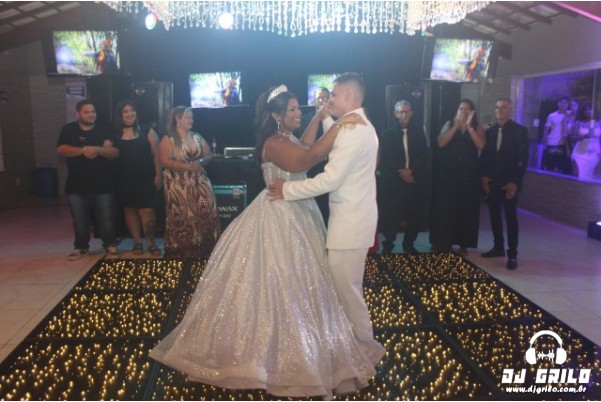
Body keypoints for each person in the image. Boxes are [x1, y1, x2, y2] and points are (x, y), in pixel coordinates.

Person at [150, 85, 379, 398]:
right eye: (293, 110)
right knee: (280, 280)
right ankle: (276, 352)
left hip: (298, 212)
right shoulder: (273, 143)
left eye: (299, 108)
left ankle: (311, 340)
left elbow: (305, 145)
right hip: (280, 215)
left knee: (305, 284)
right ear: (276, 115)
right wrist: (340, 124)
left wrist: (319, 118)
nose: (299, 114)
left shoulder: (286, 137)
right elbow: (307, 158)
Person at [268, 73, 386, 365]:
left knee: (348, 293)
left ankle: (366, 351)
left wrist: (287, 190)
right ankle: (355, 348)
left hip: (351, 224)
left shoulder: (353, 129)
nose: (330, 99)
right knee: (346, 289)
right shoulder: (357, 125)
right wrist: (325, 118)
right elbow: (333, 141)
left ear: (348, 95)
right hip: (355, 219)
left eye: (333, 94)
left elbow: (329, 180)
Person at [56, 99, 120, 260]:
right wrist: (84, 150)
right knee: (80, 220)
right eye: (86, 112)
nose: (91, 115)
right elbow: (61, 149)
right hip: (76, 185)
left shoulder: (104, 129)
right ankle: (81, 247)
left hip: (103, 184)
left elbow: (115, 152)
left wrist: (97, 149)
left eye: (93, 111)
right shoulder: (69, 129)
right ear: (78, 114)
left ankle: (110, 245)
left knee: (106, 218)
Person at [158, 106, 220, 258]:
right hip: (178, 186)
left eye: (191, 117)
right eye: (187, 117)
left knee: (206, 212)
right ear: (177, 119)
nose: (191, 120)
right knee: (183, 217)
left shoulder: (197, 136)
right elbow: (164, 161)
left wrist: (199, 162)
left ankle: (206, 250)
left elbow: (209, 155)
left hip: (200, 183)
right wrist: (186, 166)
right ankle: (183, 252)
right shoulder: (168, 138)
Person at [430, 98, 485, 254]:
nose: (463, 112)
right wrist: (456, 126)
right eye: (461, 109)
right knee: (446, 208)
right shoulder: (449, 124)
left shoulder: (477, 126)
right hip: (449, 174)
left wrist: (469, 127)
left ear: (472, 112)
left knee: (465, 208)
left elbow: (481, 145)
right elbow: (441, 143)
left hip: (468, 175)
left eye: (467, 109)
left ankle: (463, 242)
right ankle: (442, 241)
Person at [480, 98, 529, 270]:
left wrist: (515, 182)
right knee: (494, 216)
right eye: (497, 107)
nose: (500, 110)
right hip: (493, 182)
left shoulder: (520, 131)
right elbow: (486, 157)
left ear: (510, 110)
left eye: (503, 107)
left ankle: (512, 254)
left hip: (509, 183)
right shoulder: (490, 132)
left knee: (510, 218)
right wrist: (484, 176)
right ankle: (498, 247)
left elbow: (522, 159)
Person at [379, 100, 429, 254]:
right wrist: (401, 172)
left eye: (407, 111)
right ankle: (388, 244)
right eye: (401, 112)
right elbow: (387, 157)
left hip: (414, 179)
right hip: (394, 180)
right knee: (391, 214)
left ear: (411, 113)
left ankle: (409, 244)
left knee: (414, 213)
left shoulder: (419, 132)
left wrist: (411, 171)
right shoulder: (387, 134)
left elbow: (424, 154)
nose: (404, 114)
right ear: (395, 114)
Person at [114, 99, 162, 257]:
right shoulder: (115, 133)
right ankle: (137, 242)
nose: (130, 114)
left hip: (146, 178)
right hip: (124, 179)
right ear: (120, 115)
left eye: (132, 110)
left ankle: (151, 243)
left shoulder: (147, 130)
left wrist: (159, 174)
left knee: (148, 211)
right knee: (130, 210)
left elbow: (156, 154)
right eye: (125, 111)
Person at [296, 86, 335, 224]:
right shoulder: (305, 119)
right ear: (314, 100)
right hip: (311, 168)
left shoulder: (336, 119)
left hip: (330, 167)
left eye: (326, 97)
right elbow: (302, 143)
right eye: (320, 98)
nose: (322, 101)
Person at [570, 102, 601, 181]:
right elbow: (572, 138)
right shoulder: (578, 123)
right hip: (579, 154)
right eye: (585, 110)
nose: (588, 111)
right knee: (576, 177)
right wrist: (583, 137)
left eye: (590, 109)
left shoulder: (599, 123)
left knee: (591, 178)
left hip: (595, 155)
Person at [542, 96, 570, 174]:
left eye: (566, 103)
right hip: (552, 143)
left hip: (563, 144)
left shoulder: (569, 115)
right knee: (549, 166)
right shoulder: (552, 116)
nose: (564, 105)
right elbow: (546, 130)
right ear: (558, 104)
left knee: (560, 168)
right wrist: (545, 143)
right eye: (562, 102)